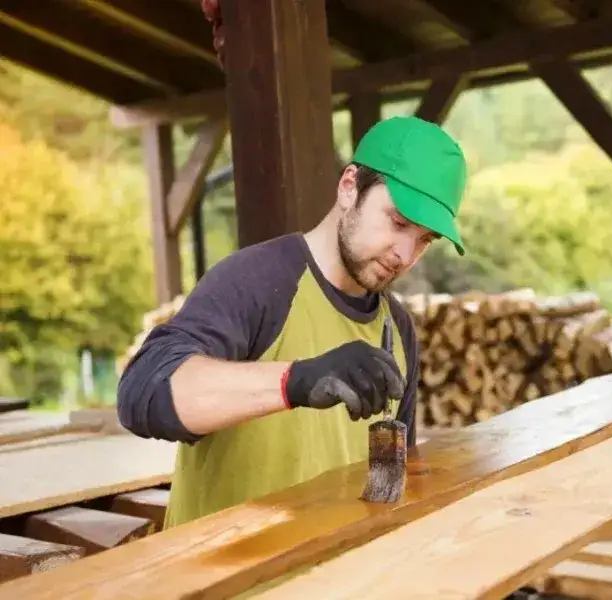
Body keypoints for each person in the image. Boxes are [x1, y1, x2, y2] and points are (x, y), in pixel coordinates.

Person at [116, 115, 468, 529]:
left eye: (425, 240)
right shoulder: (258, 281)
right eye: (399, 222)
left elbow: (392, 481)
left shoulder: (398, 329)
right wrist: (294, 381)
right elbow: (143, 395)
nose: (405, 255)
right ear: (349, 187)